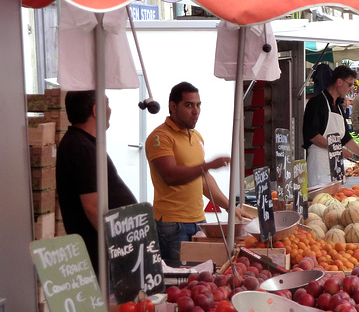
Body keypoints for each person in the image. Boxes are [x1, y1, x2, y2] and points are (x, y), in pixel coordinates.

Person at [145, 82, 252, 267]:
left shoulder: (196, 137)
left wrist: (229, 207)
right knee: (181, 283)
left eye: (198, 105)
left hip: (200, 221)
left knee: (203, 279)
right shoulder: (159, 137)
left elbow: (203, 181)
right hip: (172, 225)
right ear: (173, 106)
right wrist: (207, 165)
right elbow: (170, 176)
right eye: (189, 105)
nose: (196, 111)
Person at [57, 90, 137, 275]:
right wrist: (119, 245)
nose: (110, 110)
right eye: (107, 104)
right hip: (100, 256)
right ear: (95, 110)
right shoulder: (80, 147)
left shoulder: (83, 143)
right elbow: (92, 207)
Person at [302, 66, 359, 187]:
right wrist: (338, 149)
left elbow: (345, 138)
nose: (351, 88)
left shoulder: (338, 106)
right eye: (350, 85)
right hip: (319, 164)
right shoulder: (316, 103)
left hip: (336, 165)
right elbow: (313, 135)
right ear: (339, 82)